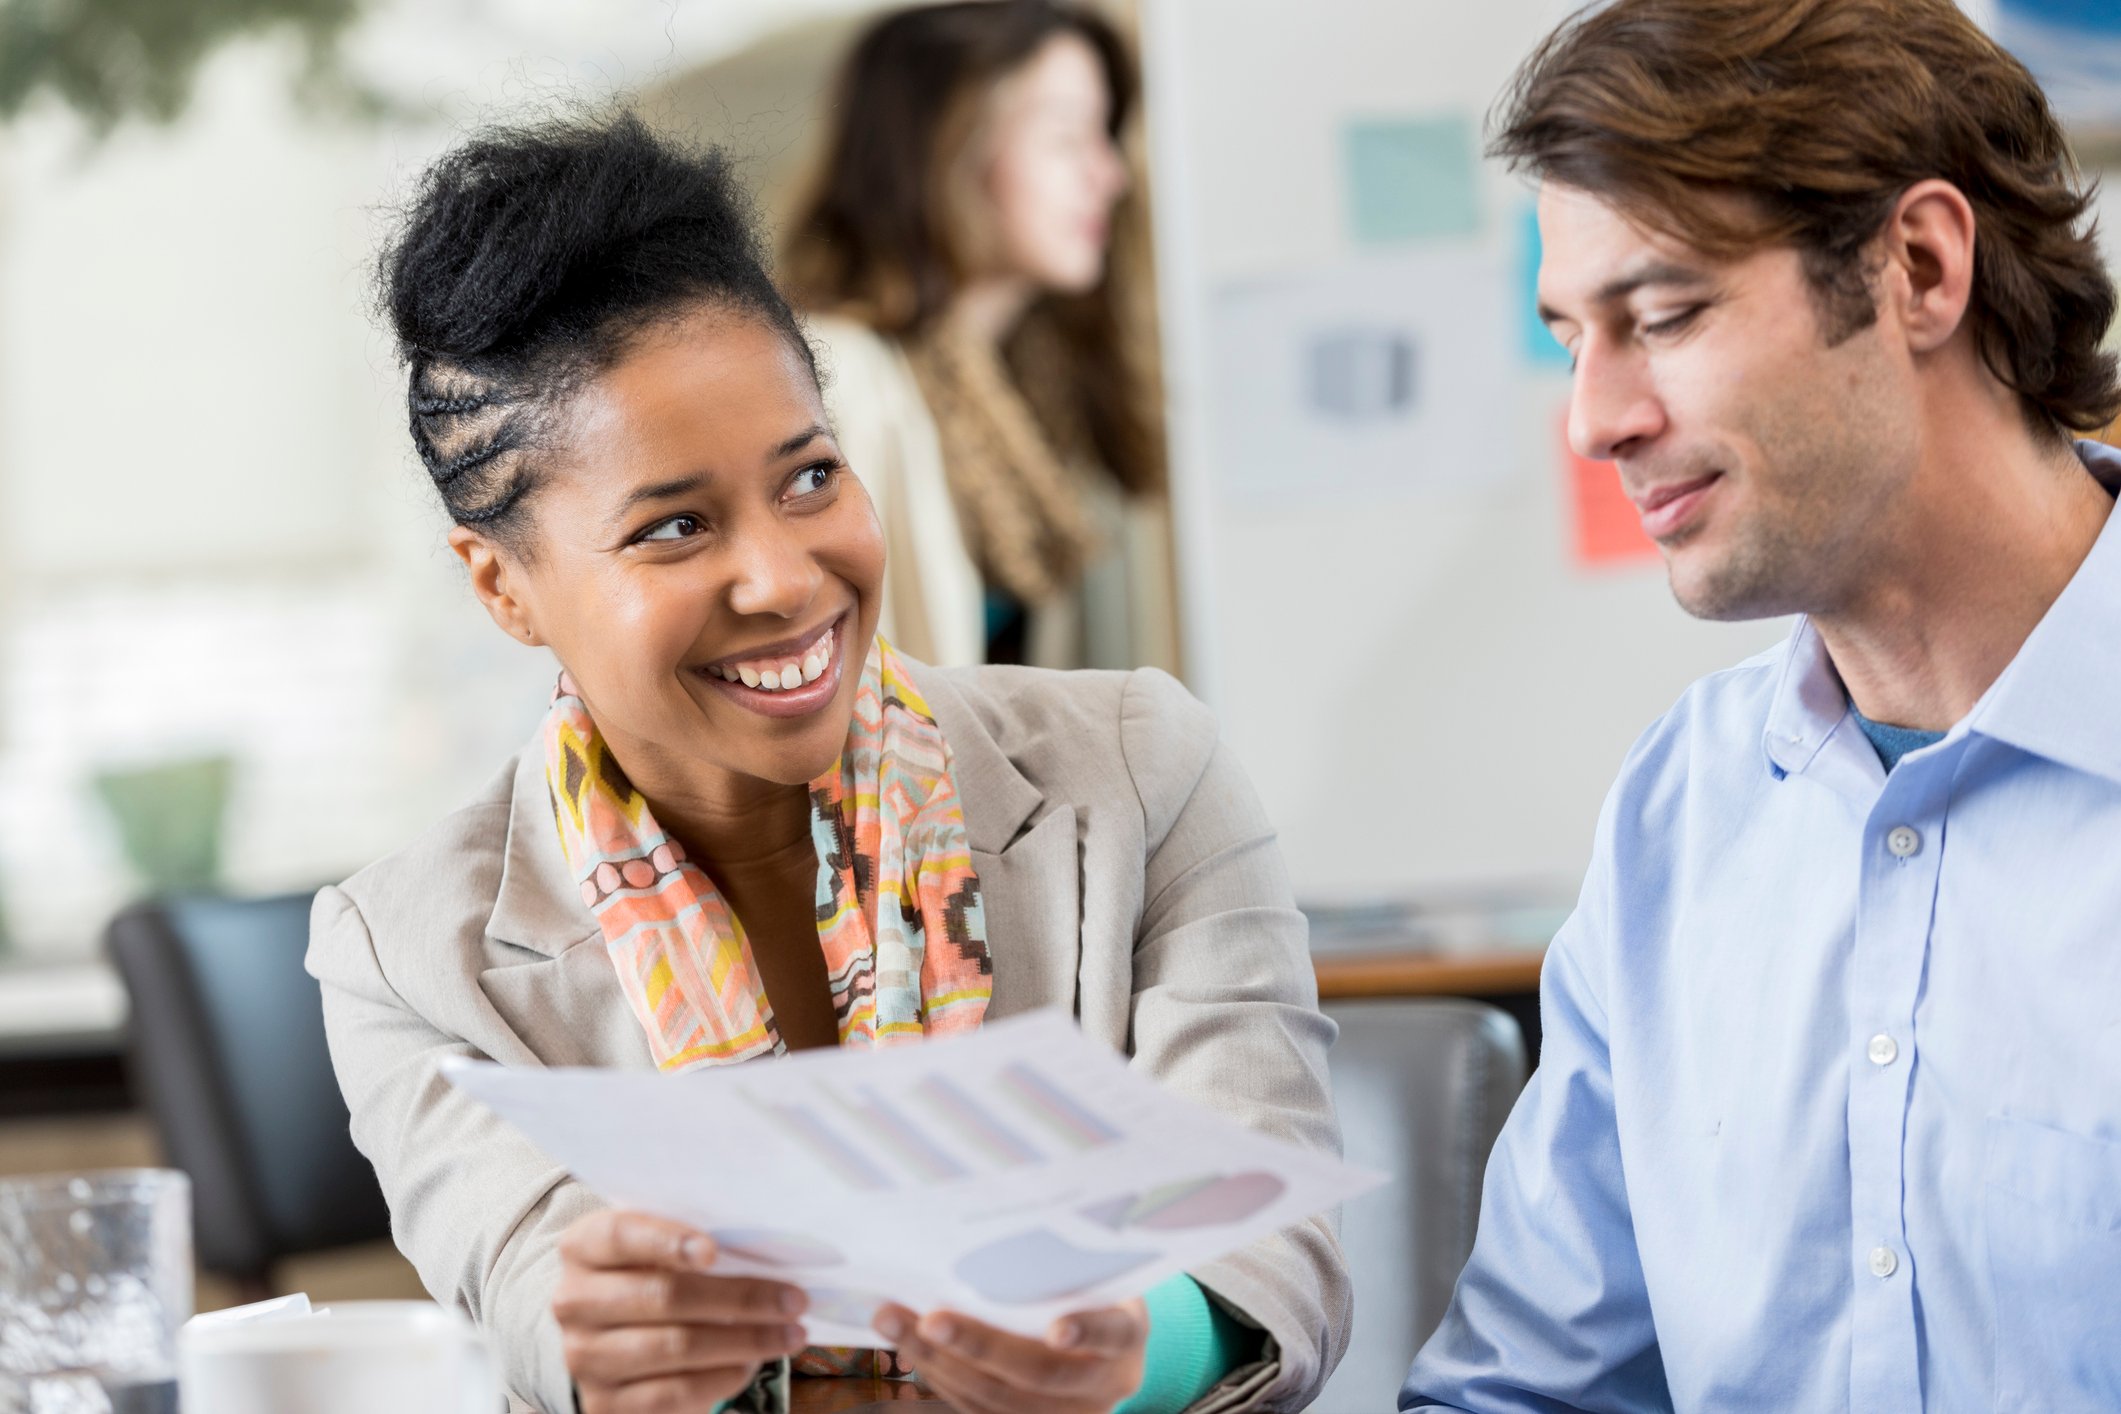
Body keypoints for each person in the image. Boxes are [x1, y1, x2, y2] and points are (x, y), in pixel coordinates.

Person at [306, 112, 1347, 1414]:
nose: (786, 577)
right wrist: (610, 1336)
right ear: (503, 585)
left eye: (808, 479)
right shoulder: (408, 948)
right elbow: (525, 1286)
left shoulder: (1136, 769)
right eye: (675, 525)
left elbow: (1275, 1247)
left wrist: (1143, 1346)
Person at [1401, 1, 2121, 1409]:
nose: (1594, 418)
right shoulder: (1681, 811)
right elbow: (1525, 1388)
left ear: (1918, 265)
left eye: (1663, 315)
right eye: (1569, 340)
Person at [781, 0, 1171, 671]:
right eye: (1067, 137)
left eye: (1104, 135)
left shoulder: (1024, 394)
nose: (1110, 176)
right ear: (947, 150)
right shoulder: (834, 381)